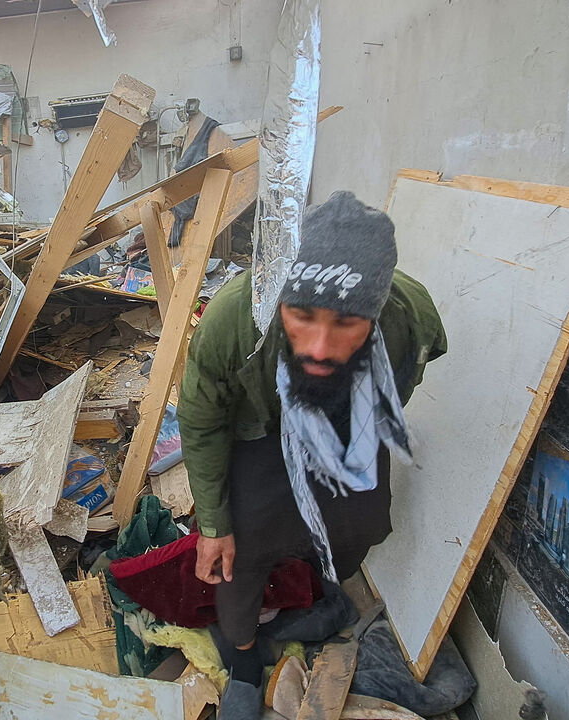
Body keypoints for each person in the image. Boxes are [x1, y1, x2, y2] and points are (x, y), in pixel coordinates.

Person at [177, 191, 447, 715]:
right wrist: (212, 523)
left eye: (346, 323)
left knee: (361, 523)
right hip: (260, 424)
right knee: (242, 544)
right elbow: (202, 419)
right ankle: (245, 661)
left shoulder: (408, 320)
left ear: (375, 313)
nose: (320, 345)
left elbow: (409, 377)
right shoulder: (234, 319)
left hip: (347, 413)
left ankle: (320, 596)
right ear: (278, 299)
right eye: (302, 316)